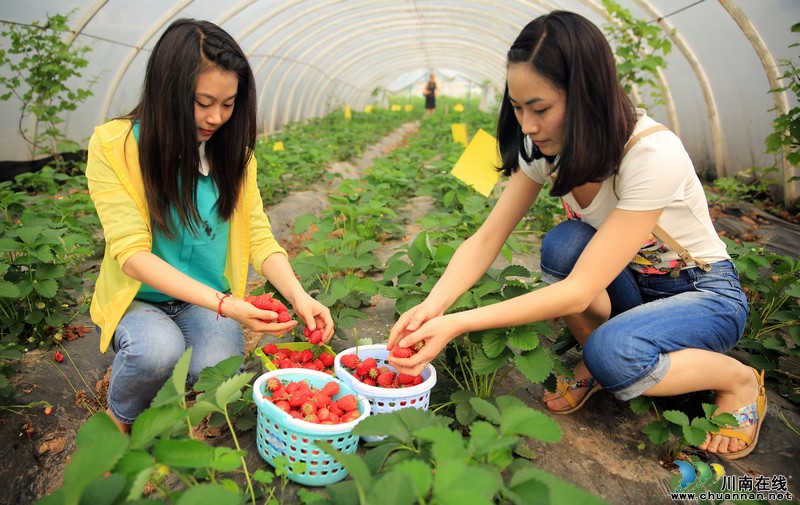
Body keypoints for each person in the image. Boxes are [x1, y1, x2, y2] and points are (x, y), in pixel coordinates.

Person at [388, 10, 764, 460]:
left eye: (540, 108)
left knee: (613, 350)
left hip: (701, 295)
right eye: (517, 107)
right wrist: (432, 306)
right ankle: (603, 356)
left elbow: (580, 290)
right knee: (564, 244)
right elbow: (487, 239)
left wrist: (458, 322)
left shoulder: (651, 154)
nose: (527, 125)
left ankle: (738, 379)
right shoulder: (545, 148)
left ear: (586, 95)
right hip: (633, 284)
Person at [86, 19, 334, 434]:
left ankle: (174, 372)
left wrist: (298, 296)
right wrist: (228, 307)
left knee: (218, 372)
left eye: (228, 103)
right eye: (203, 102)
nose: (217, 117)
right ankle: (120, 415)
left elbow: (258, 237)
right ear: (169, 90)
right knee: (155, 351)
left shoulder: (235, 159)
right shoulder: (116, 147)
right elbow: (131, 255)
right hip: (139, 300)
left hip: (204, 303)